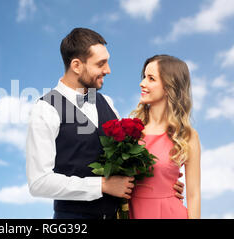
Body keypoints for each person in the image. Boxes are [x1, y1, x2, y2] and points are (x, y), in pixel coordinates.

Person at [26, 28, 185, 219]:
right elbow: (39, 182)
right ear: (76, 65)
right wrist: (102, 185)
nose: (108, 70)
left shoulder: (107, 103)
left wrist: (162, 183)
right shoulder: (45, 110)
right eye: (101, 64)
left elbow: (126, 162)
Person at [129, 55, 201, 219]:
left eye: (151, 78)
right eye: (144, 77)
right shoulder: (130, 130)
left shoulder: (187, 136)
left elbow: (194, 194)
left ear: (169, 87)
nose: (142, 83)